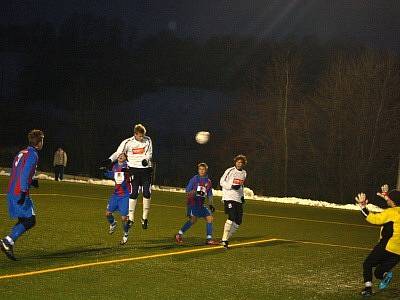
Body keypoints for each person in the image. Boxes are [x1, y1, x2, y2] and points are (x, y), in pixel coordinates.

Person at [0, 129, 44, 260]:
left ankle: (8, 243)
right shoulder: (33, 155)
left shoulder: (22, 152)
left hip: (13, 190)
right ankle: (7, 241)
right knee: (30, 220)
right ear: (39, 142)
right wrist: (24, 192)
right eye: (42, 140)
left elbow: (17, 171)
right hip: (20, 191)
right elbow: (24, 175)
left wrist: (32, 182)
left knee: (23, 220)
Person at [103, 123, 153, 230]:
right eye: (140, 136)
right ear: (135, 134)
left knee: (147, 193)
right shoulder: (127, 142)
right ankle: (131, 218)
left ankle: (144, 218)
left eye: (142, 136)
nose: (141, 138)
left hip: (146, 169)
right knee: (134, 193)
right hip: (134, 170)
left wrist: (146, 160)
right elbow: (118, 153)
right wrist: (109, 160)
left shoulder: (148, 139)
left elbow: (149, 153)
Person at [356, 184, 400, 297]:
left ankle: (368, 289)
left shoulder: (391, 213)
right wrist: (386, 196)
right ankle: (385, 274)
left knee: (367, 264)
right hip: (398, 252)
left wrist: (363, 207)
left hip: (386, 246)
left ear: (393, 201)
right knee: (378, 272)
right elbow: (393, 201)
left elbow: (374, 219)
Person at [175, 163, 219, 245]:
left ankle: (208, 239)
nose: (201, 171)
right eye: (200, 169)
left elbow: (209, 194)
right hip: (193, 203)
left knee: (208, 218)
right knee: (194, 220)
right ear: (198, 170)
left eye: (203, 169)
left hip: (201, 205)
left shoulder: (208, 181)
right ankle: (179, 234)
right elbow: (187, 190)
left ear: (206, 170)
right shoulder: (194, 179)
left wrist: (211, 204)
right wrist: (194, 192)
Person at [220, 154, 247, 249]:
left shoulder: (244, 173)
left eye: (241, 163)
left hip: (238, 198)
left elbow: (241, 186)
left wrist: (242, 196)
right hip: (229, 197)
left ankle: (226, 238)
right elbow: (221, 181)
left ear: (243, 164)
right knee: (231, 216)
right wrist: (231, 186)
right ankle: (224, 240)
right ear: (235, 162)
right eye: (238, 162)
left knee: (238, 221)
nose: (239, 164)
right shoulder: (230, 170)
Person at [104, 153, 132, 245]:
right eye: (119, 155)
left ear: (126, 158)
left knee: (124, 218)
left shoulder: (128, 166)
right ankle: (113, 223)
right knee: (108, 213)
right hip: (116, 194)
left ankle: (125, 235)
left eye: (123, 156)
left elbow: (131, 173)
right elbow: (113, 175)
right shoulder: (115, 166)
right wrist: (105, 172)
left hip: (124, 196)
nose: (120, 156)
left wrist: (128, 171)